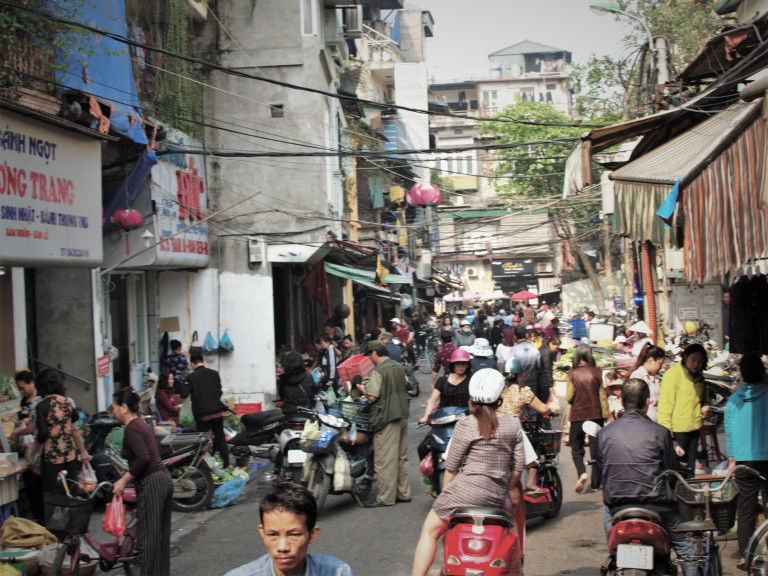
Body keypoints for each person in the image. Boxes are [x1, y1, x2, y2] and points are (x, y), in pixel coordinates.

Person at [411, 369, 525, 576]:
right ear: (500, 395)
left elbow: (452, 466)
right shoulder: (513, 423)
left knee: (429, 532)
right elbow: (519, 466)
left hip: (463, 494)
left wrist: (447, 493)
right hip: (496, 497)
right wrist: (509, 486)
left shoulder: (466, 423)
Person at [594, 379, 695, 571]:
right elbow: (672, 475)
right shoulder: (661, 432)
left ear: (622, 402)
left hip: (618, 506)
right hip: (658, 506)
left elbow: (600, 474)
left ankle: (614, 555)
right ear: (647, 402)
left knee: (607, 515)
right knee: (686, 549)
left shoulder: (605, 434)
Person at [224, 482, 354, 576]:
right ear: (262, 533)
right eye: (273, 535)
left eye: (294, 535)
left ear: (312, 535)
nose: (283, 547)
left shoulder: (339, 572)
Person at [112, 388, 173, 576]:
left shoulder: (132, 429)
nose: (113, 411)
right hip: (162, 479)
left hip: (153, 482)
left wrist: (123, 481)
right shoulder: (139, 424)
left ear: (123, 407)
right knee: (158, 538)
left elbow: (143, 458)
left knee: (148, 539)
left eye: (114, 406)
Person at [724, 351, 768, 569]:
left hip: (743, 460)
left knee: (746, 509)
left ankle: (745, 555)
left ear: (741, 373)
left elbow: (730, 433)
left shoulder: (733, 400)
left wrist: (732, 460)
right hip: (766, 457)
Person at [355, 341, 410, 507]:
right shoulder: (398, 366)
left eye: (369, 355)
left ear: (374, 353)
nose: (369, 359)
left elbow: (372, 397)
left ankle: (386, 497)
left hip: (386, 417)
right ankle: (403, 493)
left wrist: (360, 386)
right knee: (401, 457)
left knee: (385, 459)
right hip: (402, 414)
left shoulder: (378, 371)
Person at [499, 358, 557, 492]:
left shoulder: (500, 390)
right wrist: (551, 409)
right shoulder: (523, 391)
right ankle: (530, 482)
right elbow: (542, 409)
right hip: (514, 430)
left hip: (496, 428)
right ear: (520, 374)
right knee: (534, 452)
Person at [657, 343, 710, 474]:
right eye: (694, 360)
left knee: (690, 465)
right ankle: (678, 491)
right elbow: (665, 403)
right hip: (677, 429)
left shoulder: (699, 377)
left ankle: (688, 490)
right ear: (685, 357)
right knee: (677, 465)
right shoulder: (672, 374)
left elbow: (705, 400)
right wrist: (666, 426)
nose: (696, 364)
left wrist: (705, 408)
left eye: (700, 362)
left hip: (694, 426)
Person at [35, 370, 90, 494]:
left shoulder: (42, 406)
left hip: (51, 458)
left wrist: (36, 444)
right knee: (70, 492)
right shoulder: (67, 403)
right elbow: (74, 429)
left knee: (53, 495)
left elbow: (43, 433)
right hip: (69, 456)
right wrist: (82, 451)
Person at [566, 345, 609, 493]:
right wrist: (607, 416)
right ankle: (596, 483)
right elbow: (602, 397)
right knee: (595, 449)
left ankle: (582, 472)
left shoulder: (571, 374)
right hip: (595, 415)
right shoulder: (597, 372)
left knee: (575, 446)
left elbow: (569, 397)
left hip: (578, 415)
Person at [184, 351, 230, 468]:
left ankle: (205, 467)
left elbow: (184, 394)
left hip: (202, 415)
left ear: (192, 364)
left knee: (203, 442)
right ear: (203, 362)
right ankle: (226, 464)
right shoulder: (214, 374)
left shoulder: (191, 377)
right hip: (216, 412)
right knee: (220, 438)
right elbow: (219, 391)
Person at [11, 369, 44, 523]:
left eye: (23, 387)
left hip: (38, 448)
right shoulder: (24, 402)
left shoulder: (38, 401)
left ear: (32, 383)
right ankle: (37, 515)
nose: (21, 391)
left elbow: (32, 427)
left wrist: (18, 432)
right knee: (31, 485)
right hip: (28, 450)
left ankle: (41, 516)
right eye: (19, 388)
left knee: (36, 484)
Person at [420, 349, 472, 425]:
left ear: (467, 365)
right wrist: (426, 416)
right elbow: (432, 401)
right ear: (453, 364)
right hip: (443, 419)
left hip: (464, 421)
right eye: (458, 363)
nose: (460, 366)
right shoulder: (442, 381)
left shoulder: (470, 381)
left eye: (463, 363)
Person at [630, 343, 665, 422]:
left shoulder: (651, 378)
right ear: (651, 360)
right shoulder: (638, 377)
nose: (660, 368)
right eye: (660, 364)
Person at [535, 336, 560, 427]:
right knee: (543, 403)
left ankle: (541, 422)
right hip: (543, 382)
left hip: (540, 380)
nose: (556, 350)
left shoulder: (544, 350)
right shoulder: (546, 353)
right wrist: (550, 383)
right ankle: (542, 423)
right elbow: (547, 369)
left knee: (541, 402)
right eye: (556, 347)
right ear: (551, 344)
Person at [508, 325, 541, 391]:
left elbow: (510, 368)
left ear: (515, 336)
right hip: (532, 383)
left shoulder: (514, 350)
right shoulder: (534, 348)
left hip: (518, 385)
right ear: (526, 335)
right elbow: (539, 366)